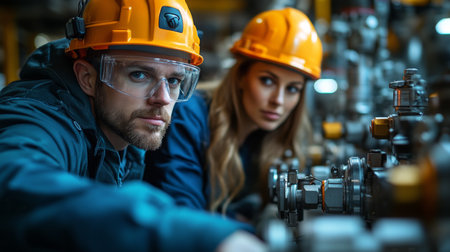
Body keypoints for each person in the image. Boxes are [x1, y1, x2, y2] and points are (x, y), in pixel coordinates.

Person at [0, 0, 268, 251]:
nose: (162, 98)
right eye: (139, 74)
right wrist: (195, 235)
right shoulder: (42, 117)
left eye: (174, 80)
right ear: (88, 78)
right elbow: (13, 180)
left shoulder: (125, 128)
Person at [145, 7, 323, 222]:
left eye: (292, 89)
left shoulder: (262, 137)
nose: (279, 100)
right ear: (240, 76)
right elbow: (185, 216)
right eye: (267, 80)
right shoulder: (188, 116)